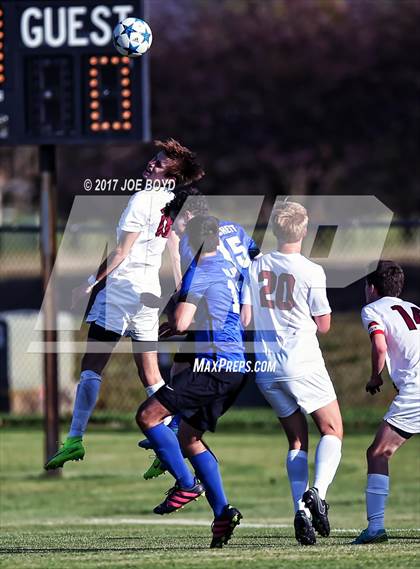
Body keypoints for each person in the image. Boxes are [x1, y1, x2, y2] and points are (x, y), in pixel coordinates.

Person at [45, 139, 204, 470]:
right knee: (149, 373)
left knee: (92, 365)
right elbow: (173, 249)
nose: (151, 164)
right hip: (148, 295)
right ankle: (170, 436)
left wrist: (89, 284)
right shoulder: (169, 201)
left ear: (171, 176)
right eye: (154, 159)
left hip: (122, 291)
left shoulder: (143, 199)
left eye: (160, 164)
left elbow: (120, 252)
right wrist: (179, 293)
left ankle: (74, 439)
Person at [136, 215, 246, 549]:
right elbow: (236, 316)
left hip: (211, 367)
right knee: (190, 436)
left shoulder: (199, 271)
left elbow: (181, 321)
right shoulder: (228, 267)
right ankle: (223, 512)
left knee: (147, 416)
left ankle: (186, 483)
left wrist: (175, 317)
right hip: (236, 367)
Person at [241, 201, 343, 546]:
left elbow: (246, 319)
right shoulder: (312, 271)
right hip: (301, 361)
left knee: (297, 440)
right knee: (332, 429)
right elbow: (325, 325)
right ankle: (318, 493)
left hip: (267, 367)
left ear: (274, 230)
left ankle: (300, 510)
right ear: (304, 229)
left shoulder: (255, 266)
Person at [140, 187, 260, 480]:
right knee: (185, 359)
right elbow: (256, 258)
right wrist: (247, 297)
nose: (175, 227)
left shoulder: (191, 243)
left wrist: (163, 306)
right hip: (236, 306)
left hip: (217, 314)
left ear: (190, 215)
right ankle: (173, 428)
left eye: (176, 220)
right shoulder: (232, 228)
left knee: (190, 350)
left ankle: (172, 431)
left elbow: (188, 293)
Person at [353, 261, 419, 544]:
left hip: (417, 390)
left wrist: (374, 377)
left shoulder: (372, 309)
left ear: (371, 288)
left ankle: (375, 528)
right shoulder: (414, 308)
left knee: (378, 452)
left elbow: (379, 345)